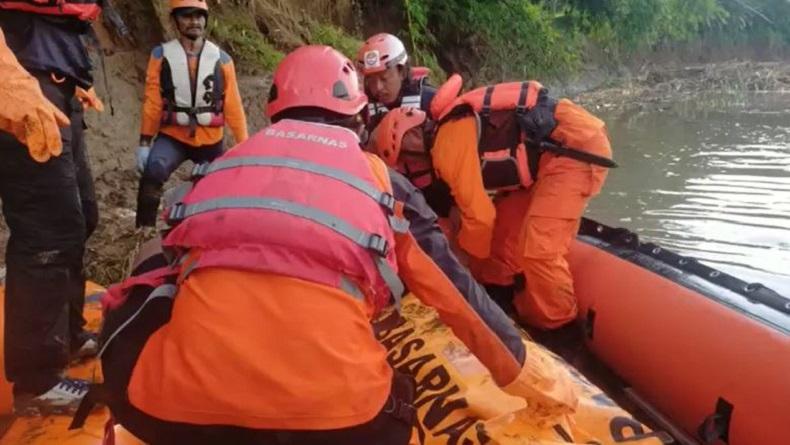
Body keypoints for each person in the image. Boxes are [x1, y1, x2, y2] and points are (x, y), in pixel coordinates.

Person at [101, 45, 577, 445]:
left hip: (176, 415)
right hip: (341, 425)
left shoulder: (220, 167)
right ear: (357, 112)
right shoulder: (381, 180)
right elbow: (456, 295)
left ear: (273, 107)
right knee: (393, 402)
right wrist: (529, 378)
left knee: (152, 275)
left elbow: (169, 262)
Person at [368, 80, 613, 332]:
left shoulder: (447, 145)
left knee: (539, 250)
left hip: (573, 148)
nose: (412, 168)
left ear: (409, 141)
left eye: (407, 160)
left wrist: (463, 262)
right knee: (501, 240)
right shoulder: (448, 133)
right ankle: (504, 299)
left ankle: (562, 329)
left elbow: (480, 217)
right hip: (546, 160)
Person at [0, 0, 103, 413]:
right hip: (18, 79)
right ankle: (36, 382)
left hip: (51, 74)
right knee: (48, 230)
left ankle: (68, 335)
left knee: (84, 216)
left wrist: (68, 71)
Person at [135, 0, 248, 227]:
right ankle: (142, 233)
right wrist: (145, 142)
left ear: (205, 19)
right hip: (173, 136)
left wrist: (243, 145)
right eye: (186, 16)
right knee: (153, 172)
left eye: (199, 16)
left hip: (210, 140)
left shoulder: (222, 60)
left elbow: (233, 106)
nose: (194, 21)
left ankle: (214, 231)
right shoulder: (160, 56)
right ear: (175, 20)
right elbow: (153, 102)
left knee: (220, 187)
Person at [356, 33, 436, 132]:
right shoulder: (364, 107)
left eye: (384, 78)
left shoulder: (430, 101)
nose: (377, 87)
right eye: (371, 80)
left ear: (402, 72)